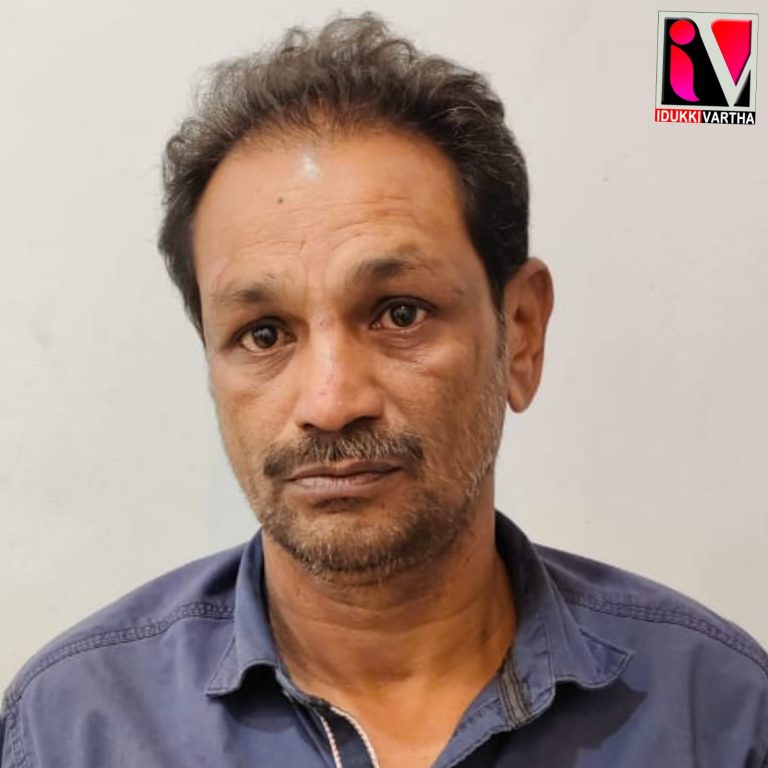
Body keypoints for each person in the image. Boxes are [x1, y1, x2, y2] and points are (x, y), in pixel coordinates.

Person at [2, 13, 766, 768]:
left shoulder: (717, 714)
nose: (331, 403)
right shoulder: (73, 729)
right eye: (264, 333)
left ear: (521, 334)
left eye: (400, 314)